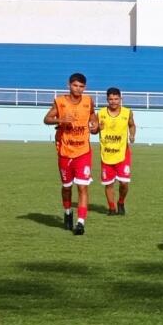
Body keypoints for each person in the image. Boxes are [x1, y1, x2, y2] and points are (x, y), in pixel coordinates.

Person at [43, 72, 99, 235]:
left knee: (83, 187)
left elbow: (92, 117)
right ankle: (68, 212)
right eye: (75, 85)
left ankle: (80, 222)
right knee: (67, 187)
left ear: (85, 87)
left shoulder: (88, 101)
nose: (78, 89)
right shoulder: (60, 102)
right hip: (65, 152)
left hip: (83, 152)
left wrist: (95, 125)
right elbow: (46, 119)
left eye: (81, 86)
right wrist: (60, 120)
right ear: (69, 85)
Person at [97, 87, 136, 216]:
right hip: (106, 154)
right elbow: (94, 130)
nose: (113, 101)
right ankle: (112, 208)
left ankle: (121, 202)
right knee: (108, 184)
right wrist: (96, 128)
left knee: (124, 183)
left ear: (120, 99)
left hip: (122, 153)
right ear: (107, 99)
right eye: (111, 99)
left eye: (116, 99)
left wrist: (132, 135)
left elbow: (132, 125)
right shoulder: (101, 113)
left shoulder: (127, 112)